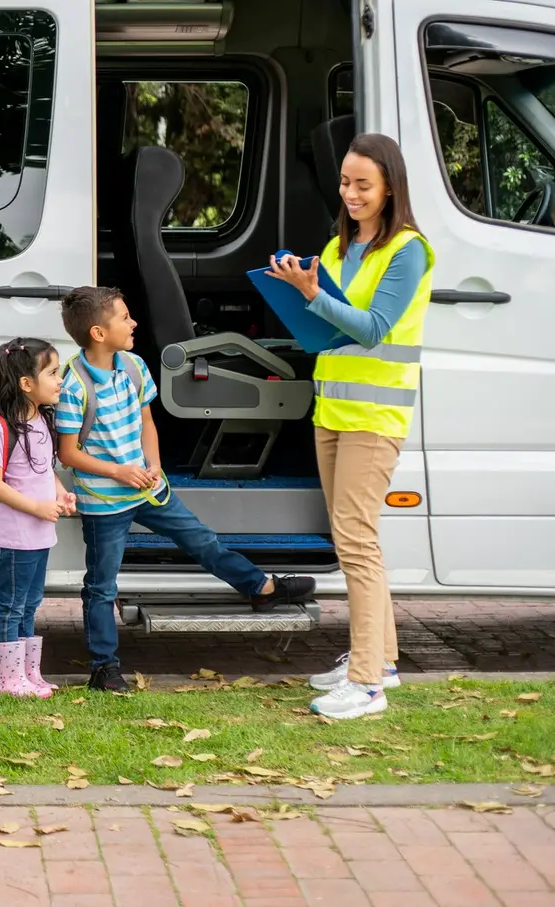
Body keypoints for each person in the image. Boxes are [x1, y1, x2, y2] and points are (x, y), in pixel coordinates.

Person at [56, 286, 317, 694]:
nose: (133, 322)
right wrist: (120, 472)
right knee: (102, 585)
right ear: (98, 333)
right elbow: (69, 453)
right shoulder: (73, 385)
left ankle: (259, 587)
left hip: (147, 488)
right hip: (105, 501)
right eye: (125, 318)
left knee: (201, 540)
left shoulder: (135, 366)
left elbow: (146, 423)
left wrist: (154, 464)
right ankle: (104, 667)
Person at [267, 132, 434, 720]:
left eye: (363, 184)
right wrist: (297, 290)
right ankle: (379, 660)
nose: (352, 193)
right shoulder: (338, 246)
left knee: (357, 543)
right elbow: (325, 327)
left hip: (374, 417)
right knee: (352, 540)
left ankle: (366, 685)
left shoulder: (407, 249)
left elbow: (374, 327)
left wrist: (313, 294)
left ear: (390, 185)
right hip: (332, 411)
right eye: (344, 182)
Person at [0, 338, 76, 698]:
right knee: (11, 606)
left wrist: (59, 494)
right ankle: (9, 680)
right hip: (15, 536)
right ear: (26, 384)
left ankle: (30, 674)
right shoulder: (2, 428)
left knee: (30, 604)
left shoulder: (42, 421)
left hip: (39, 534)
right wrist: (38, 507)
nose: (60, 381)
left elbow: (43, 470)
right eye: (53, 373)